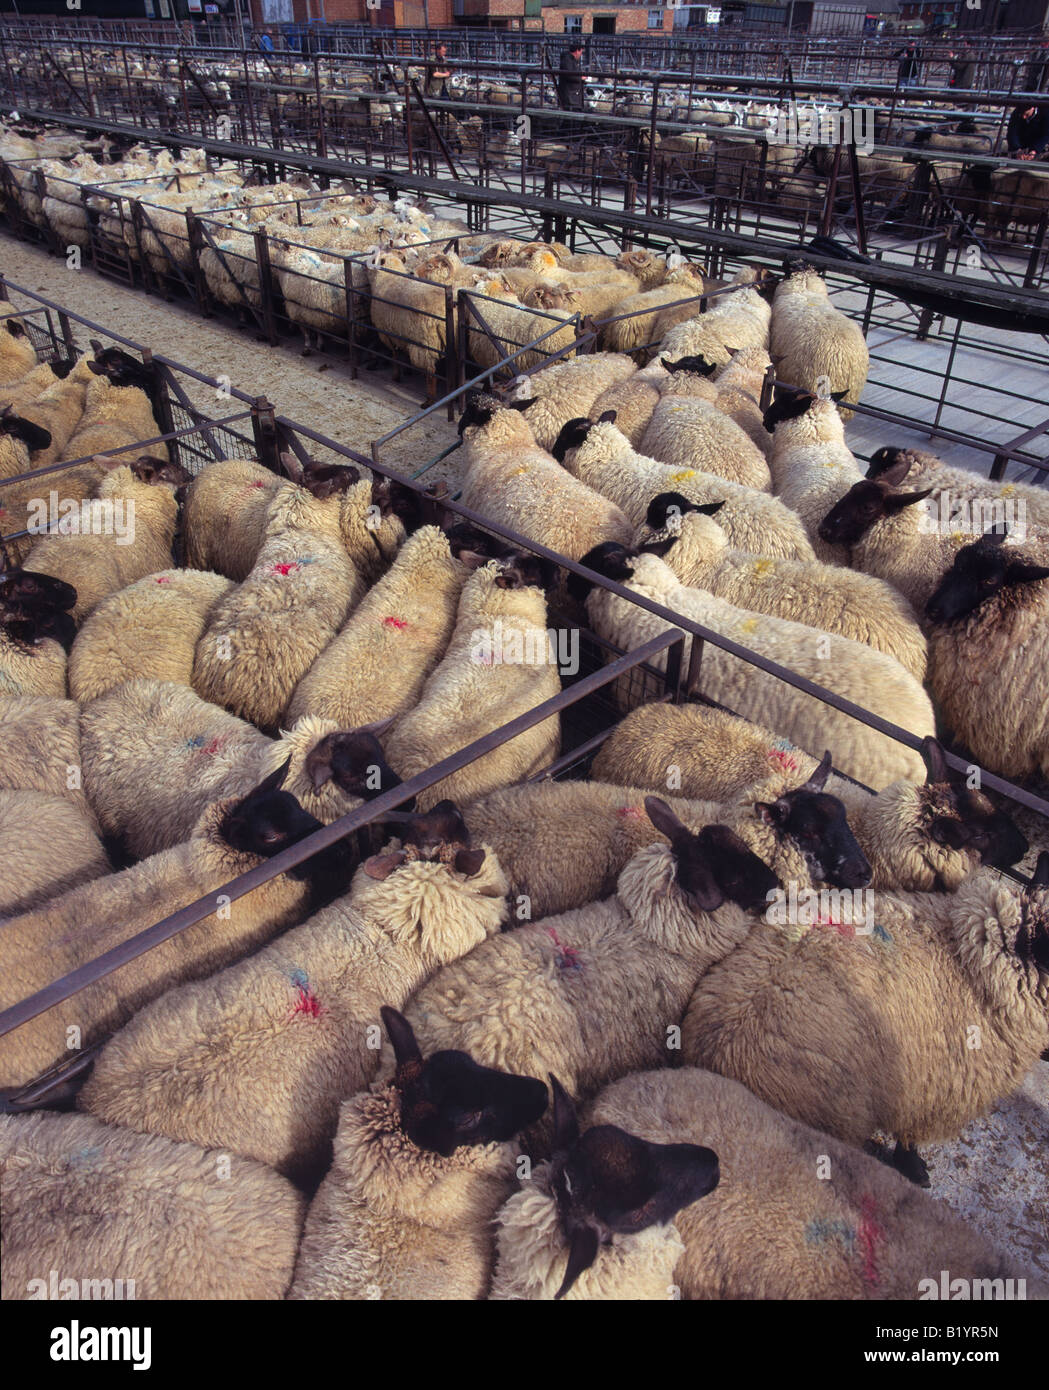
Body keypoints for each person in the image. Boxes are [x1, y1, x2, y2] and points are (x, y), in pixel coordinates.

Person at [557, 41, 586, 112]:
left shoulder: (571, 60)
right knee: (570, 115)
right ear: (577, 51)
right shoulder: (567, 60)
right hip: (570, 96)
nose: (581, 54)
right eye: (581, 52)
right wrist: (581, 78)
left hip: (572, 95)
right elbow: (569, 74)